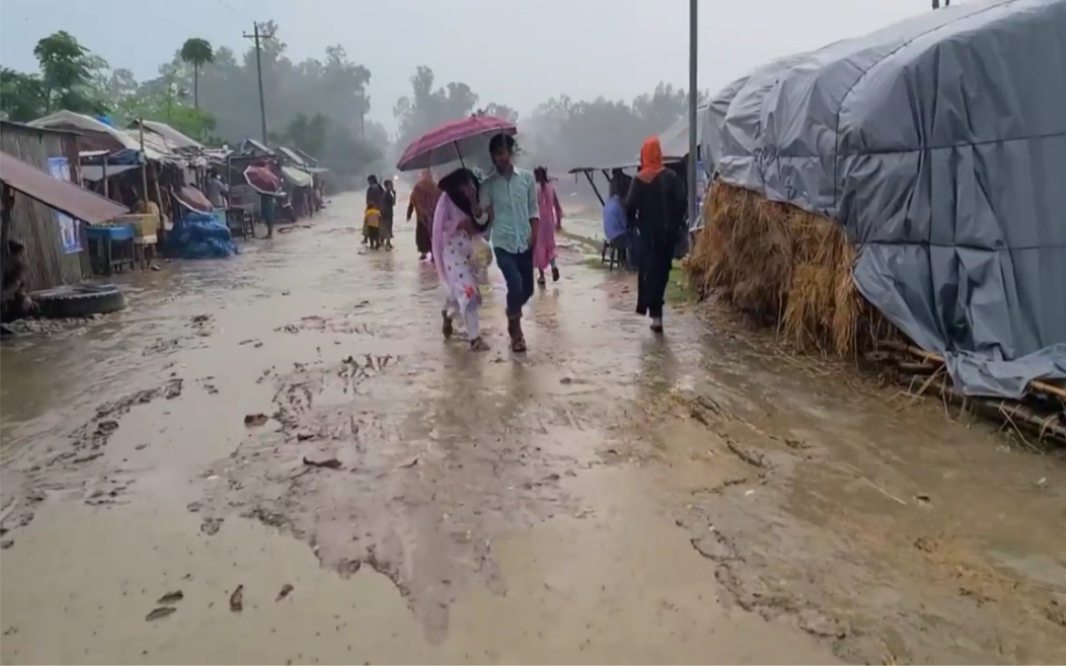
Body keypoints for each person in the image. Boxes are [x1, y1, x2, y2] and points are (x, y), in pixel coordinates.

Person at [479, 133, 538, 353]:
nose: (499, 158)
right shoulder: (488, 185)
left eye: (502, 153)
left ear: (510, 153)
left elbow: (533, 209)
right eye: (495, 154)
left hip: (524, 239)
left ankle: (512, 312)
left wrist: (535, 233)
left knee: (528, 290)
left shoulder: (527, 178)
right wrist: (478, 210)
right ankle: (516, 331)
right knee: (514, 283)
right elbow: (483, 217)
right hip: (503, 242)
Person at [625, 136, 686, 334]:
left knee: (648, 273)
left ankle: (655, 315)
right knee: (662, 272)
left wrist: (635, 226)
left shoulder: (639, 180)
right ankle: (657, 314)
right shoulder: (672, 177)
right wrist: (675, 227)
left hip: (647, 236)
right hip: (667, 237)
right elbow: (681, 204)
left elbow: (629, 207)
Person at [433, 168, 490, 351]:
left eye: (470, 183)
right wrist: (458, 225)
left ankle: (449, 313)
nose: (467, 188)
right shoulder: (446, 200)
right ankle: (474, 339)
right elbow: (438, 230)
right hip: (453, 254)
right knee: (469, 293)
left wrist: (479, 217)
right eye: (463, 184)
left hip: (474, 256)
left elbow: (485, 226)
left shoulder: (479, 197)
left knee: (463, 294)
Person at [532, 166, 563, 286]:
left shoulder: (535, 190)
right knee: (550, 246)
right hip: (549, 221)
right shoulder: (551, 188)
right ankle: (554, 266)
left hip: (538, 221)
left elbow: (531, 208)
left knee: (538, 248)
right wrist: (558, 222)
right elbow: (557, 207)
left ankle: (542, 276)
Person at [407, 169, 439, 260]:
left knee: (424, 235)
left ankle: (425, 253)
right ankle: (432, 254)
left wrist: (409, 212)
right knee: (432, 234)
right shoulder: (434, 186)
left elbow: (412, 200)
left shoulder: (418, 187)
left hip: (422, 216)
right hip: (432, 215)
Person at [1, 240, 35, 323]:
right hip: (4, 303)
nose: (22, 258)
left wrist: (26, 299)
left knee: (29, 304)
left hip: (12, 302)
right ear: (11, 255)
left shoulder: (18, 270)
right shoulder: (3, 270)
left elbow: (20, 292)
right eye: (20, 255)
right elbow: (4, 295)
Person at [602, 175, 629, 263]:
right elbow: (624, 224)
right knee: (636, 239)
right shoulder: (618, 205)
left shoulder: (608, 202)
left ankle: (623, 260)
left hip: (608, 234)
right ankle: (632, 263)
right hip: (617, 236)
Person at [365, 175, 385, 245]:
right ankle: (381, 240)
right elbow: (383, 197)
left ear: (371, 181)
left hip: (372, 210)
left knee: (370, 226)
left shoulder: (371, 188)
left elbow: (368, 201)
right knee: (380, 225)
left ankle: (370, 242)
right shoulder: (380, 187)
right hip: (380, 209)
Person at [381, 178, 397, 250]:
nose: (392, 186)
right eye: (391, 185)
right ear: (387, 186)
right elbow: (393, 203)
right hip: (388, 213)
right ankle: (387, 243)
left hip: (384, 212)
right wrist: (395, 195)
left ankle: (384, 242)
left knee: (385, 227)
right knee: (388, 227)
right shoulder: (387, 194)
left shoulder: (384, 193)